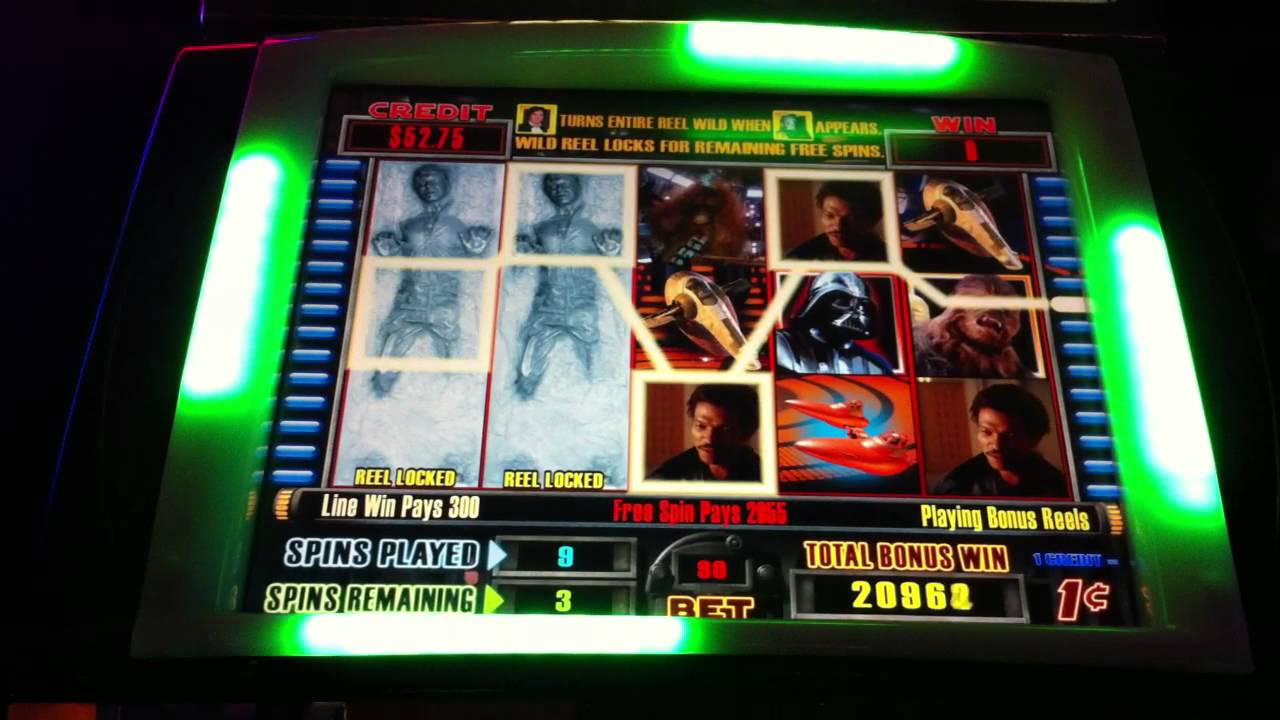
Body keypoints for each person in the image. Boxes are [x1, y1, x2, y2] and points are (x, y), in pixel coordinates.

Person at [934, 384, 1066, 497]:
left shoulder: (1056, 486)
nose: (997, 445)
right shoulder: (956, 485)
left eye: (1011, 435)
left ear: (1034, 438)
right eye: (987, 431)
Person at [776, 272, 893, 375]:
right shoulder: (781, 345)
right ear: (818, 305)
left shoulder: (874, 365)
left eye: (860, 305)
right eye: (843, 301)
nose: (854, 312)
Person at [650, 385, 762, 481]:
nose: (709, 439)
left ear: (748, 432)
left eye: (725, 430)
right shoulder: (668, 477)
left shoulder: (765, 476)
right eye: (701, 426)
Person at [786, 182, 886, 261]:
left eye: (851, 219)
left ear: (873, 220)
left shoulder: (888, 258)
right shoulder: (801, 258)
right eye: (830, 215)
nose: (838, 226)